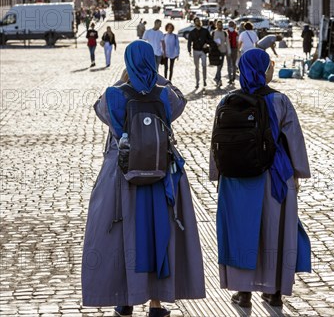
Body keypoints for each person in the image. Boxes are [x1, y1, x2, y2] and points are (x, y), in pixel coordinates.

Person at [82, 40, 206, 316]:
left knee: (123, 235)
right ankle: (156, 303)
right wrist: (156, 76)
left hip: (123, 176)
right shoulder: (164, 96)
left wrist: (123, 78)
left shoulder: (115, 95)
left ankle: (125, 299)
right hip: (160, 174)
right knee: (159, 233)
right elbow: (180, 99)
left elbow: (99, 107)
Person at [210, 48, 311, 308]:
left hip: (234, 180)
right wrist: (298, 173)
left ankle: (244, 293)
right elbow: (294, 141)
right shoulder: (279, 100)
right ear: (264, 69)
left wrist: (217, 174)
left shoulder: (227, 101)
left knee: (241, 233)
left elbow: (217, 142)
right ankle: (274, 292)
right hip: (272, 176)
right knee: (274, 232)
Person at [187, 17, 212, 89]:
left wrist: (207, 44)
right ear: (194, 22)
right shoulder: (192, 32)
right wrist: (189, 51)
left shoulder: (205, 31)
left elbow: (210, 39)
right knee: (196, 67)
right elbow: (189, 42)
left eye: (199, 21)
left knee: (204, 66)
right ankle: (197, 82)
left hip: (203, 51)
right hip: (195, 51)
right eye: (196, 21)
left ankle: (204, 80)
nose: (198, 22)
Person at [212, 20, 231, 88]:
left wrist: (229, 51)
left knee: (220, 66)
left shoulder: (225, 33)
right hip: (216, 51)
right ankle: (218, 79)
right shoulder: (214, 32)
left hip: (222, 51)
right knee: (218, 65)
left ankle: (217, 78)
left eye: (221, 25)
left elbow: (227, 42)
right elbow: (211, 41)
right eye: (218, 25)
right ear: (216, 25)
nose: (220, 26)